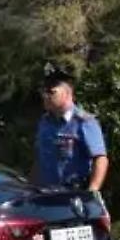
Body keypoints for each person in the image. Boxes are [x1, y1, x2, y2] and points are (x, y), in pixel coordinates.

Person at [33, 62, 109, 192]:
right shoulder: (45, 122)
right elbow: (40, 160)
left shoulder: (84, 122)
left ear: (67, 94)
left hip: (72, 196)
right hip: (44, 195)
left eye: (52, 92)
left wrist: (92, 192)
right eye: (44, 92)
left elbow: (100, 159)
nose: (46, 96)